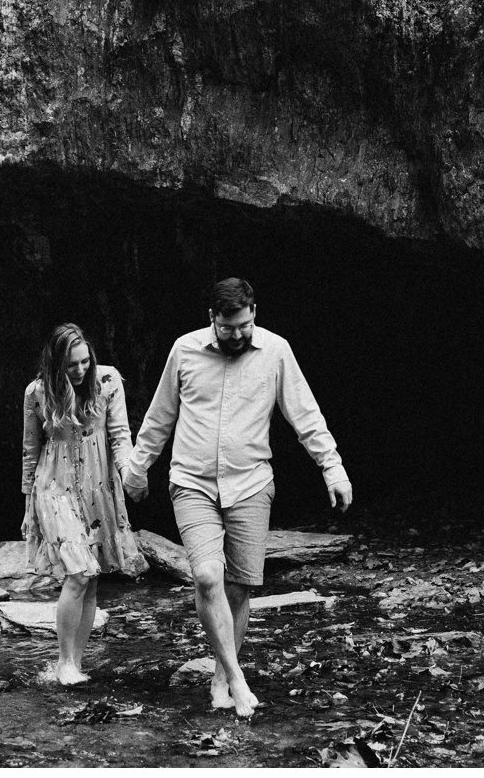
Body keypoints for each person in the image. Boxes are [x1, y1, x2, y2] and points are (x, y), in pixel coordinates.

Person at [123, 278, 352, 720]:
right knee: (208, 577)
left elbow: (304, 413)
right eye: (228, 328)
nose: (238, 335)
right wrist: (136, 470)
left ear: (254, 313)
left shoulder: (275, 351)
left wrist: (333, 467)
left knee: (240, 587)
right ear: (212, 319)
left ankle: (220, 675)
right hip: (192, 483)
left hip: (250, 483)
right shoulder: (185, 350)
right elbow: (159, 417)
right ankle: (238, 679)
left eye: (245, 325)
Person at [22, 322, 147, 686]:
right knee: (78, 572)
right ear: (56, 364)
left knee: (92, 578)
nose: (80, 370)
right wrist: (28, 505)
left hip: (98, 487)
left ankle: (76, 663)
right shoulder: (37, 392)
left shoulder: (108, 381)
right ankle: (62, 662)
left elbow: (121, 437)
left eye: (84, 362)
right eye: (71, 365)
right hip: (54, 486)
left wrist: (128, 471)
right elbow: (30, 451)